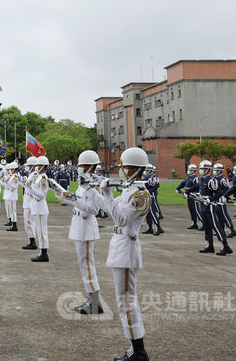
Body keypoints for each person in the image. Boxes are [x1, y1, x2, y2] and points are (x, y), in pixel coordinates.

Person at [89, 147, 151, 361]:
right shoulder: (129, 190)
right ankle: (136, 348)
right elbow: (111, 210)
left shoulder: (141, 194)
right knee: (124, 301)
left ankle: (139, 351)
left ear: (134, 169)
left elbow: (122, 219)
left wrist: (107, 194)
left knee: (126, 301)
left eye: (124, 167)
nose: (121, 170)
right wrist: (97, 193)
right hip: (121, 245)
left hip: (127, 248)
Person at [56, 150, 103, 314]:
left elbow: (94, 209)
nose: (79, 168)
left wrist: (74, 200)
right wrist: (66, 197)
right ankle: (90, 298)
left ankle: (95, 302)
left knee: (88, 265)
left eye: (82, 166)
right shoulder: (83, 183)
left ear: (90, 167)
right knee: (83, 265)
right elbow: (78, 201)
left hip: (86, 227)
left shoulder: (93, 185)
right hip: (78, 226)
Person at [196, 160, 231, 256]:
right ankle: (209, 245)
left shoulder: (212, 181)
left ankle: (225, 246)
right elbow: (197, 187)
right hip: (203, 204)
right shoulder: (202, 179)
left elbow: (219, 192)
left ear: (207, 169)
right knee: (207, 226)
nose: (200, 170)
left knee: (215, 226)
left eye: (202, 169)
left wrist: (211, 199)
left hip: (210, 205)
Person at [25, 156, 53, 262]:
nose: (36, 167)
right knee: (38, 230)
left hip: (40, 206)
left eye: (38, 165)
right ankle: (41, 252)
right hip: (36, 206)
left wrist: (30, 187)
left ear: (43, 166)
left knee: (42, 231)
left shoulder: (43, 179)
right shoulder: (37, 177)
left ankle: (44, 253)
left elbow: (41, 195)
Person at [175, 164, 201, 230]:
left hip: (194, 195)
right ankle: (194, 223)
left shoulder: (195, 178)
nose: (188, 171)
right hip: (189, 196)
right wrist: (178, 188)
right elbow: (183, 183)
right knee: (191, 210)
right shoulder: (189, 177)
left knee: (197, 210)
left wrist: (188, 191)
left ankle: (203, 223)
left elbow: (197, 186)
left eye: (189, 169)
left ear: (193, 170)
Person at [20, 156, 37, 250]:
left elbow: (32, 189)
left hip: (30, 200)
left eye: (29, 165)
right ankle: (31, 239)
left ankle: (33, 241)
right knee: (28, 221)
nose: (27, 167)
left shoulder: (34, 175)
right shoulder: (31, 174)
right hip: (27, 199)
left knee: (28, 221)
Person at [142, 165, 163, 236]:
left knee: (152, 212)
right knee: (147, 213)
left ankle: (158, 227)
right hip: (146, 196)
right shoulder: (148, 177)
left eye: (146, 170)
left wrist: (147, 192)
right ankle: (149, 227)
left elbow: (155, 187)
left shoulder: (151, 178)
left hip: (149, 196)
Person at [2, 162, 19, 231]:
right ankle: (12, 223)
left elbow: (14, 187)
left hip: (12, 195)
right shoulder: (11, 176)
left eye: (11, 169)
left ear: (14, 169)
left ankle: (14, 225)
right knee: (11, 211)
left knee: (13, 211)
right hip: (9, 194)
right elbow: (7, 186)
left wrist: (7, 182)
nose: (9, 170)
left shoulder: (15, 177)